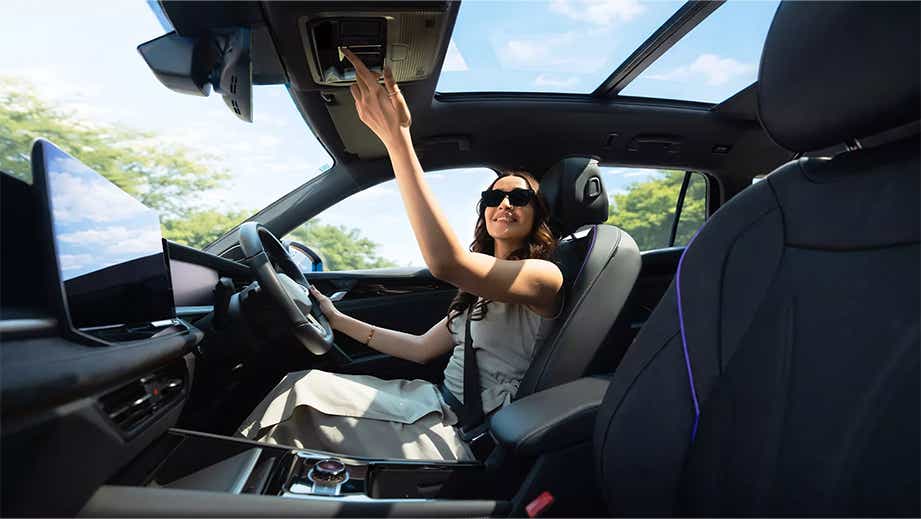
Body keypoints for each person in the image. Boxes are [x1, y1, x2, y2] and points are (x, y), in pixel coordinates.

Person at [236, 49, 564, 461]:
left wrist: (397, 139)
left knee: (297, 400)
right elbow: (420, 349)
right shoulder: (480, 292)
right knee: (298, 383)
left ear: (537, 215)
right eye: (493, 197)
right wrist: (336, 319)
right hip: (430, 400)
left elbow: (447, 263)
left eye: (519, 197)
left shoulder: (543, 277)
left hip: (463, 430)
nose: (504, 204)